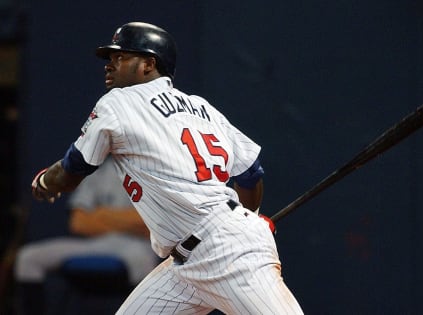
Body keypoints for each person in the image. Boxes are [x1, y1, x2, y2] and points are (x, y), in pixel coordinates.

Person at [30, 21, 303, 314]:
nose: (110, 65)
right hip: (185, 266)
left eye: (121, 57)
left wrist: (45, 182)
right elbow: (250, 174)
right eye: (111, 58)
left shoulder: (119, 101)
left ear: (149, 64)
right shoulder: (201, 107)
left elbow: (73, 170)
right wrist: (252, 217)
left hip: (227, 252)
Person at [16, 157, 158, 315]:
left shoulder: (157, 171)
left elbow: (153, 224)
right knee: (27, 257)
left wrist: (102, 214)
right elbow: (79, 223)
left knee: (145, 264)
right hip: (95, 243)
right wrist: (129, 220)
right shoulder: (97, 171)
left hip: (138, 245)